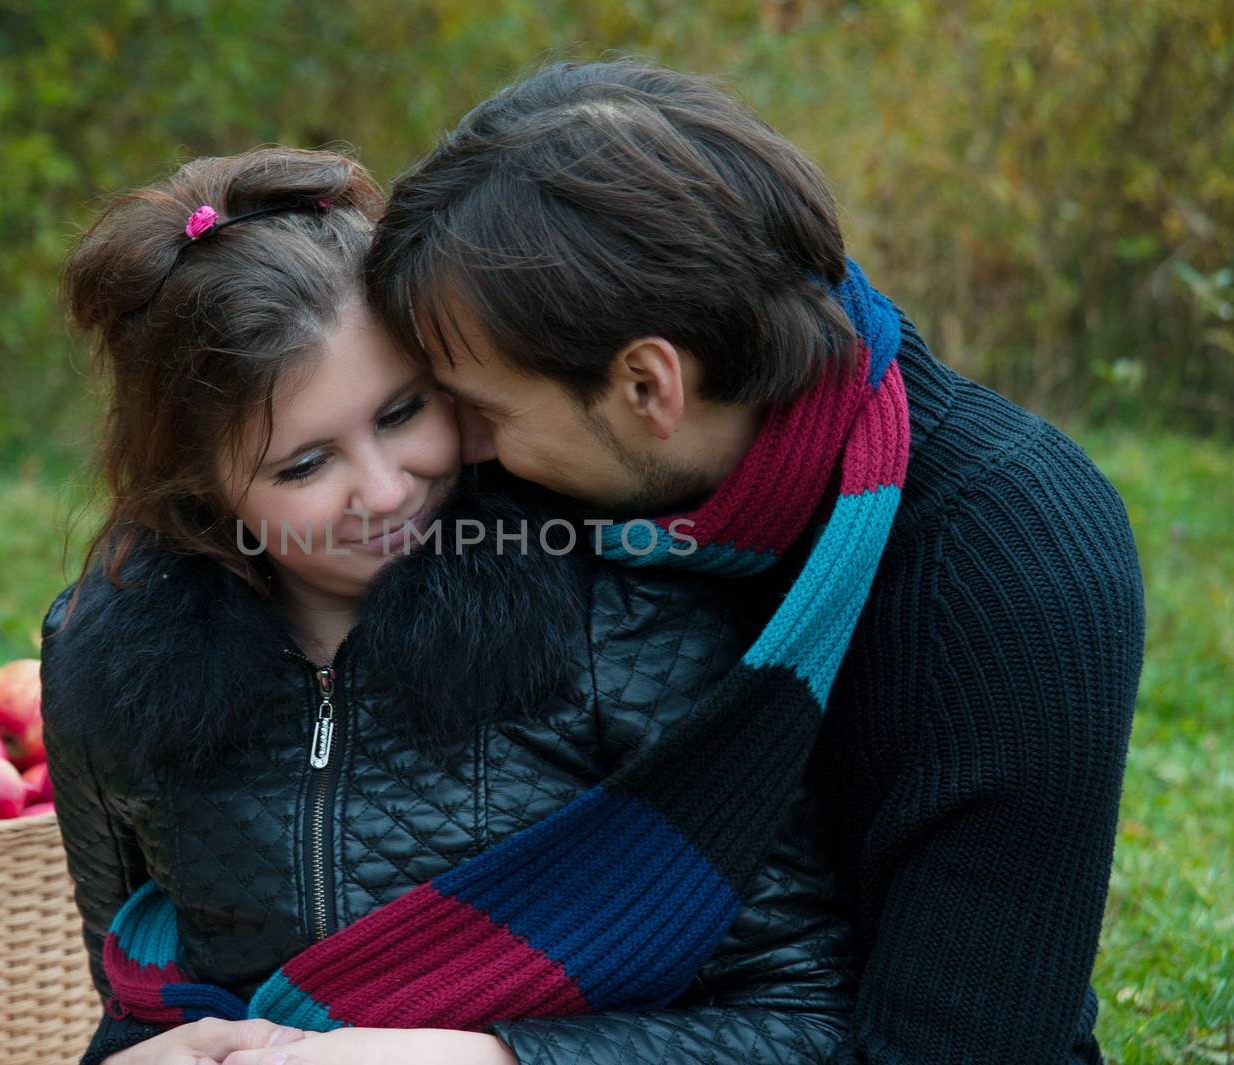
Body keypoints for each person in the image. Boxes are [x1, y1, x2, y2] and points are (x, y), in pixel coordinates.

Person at [364, 59, 1146, 1065]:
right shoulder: (572, 498)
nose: (454, 453)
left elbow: (957, 1045)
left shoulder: (1010, 565)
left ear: (649, 385)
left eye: (484, 411)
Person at [42, 146, 860, 1065]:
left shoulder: (622, 620)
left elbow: (806, 1023)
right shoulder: (102, 656)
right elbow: (133, 1001)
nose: (388, 490)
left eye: (403, 413)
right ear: (201, 492)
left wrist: (481, 1058)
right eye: (307, 465)